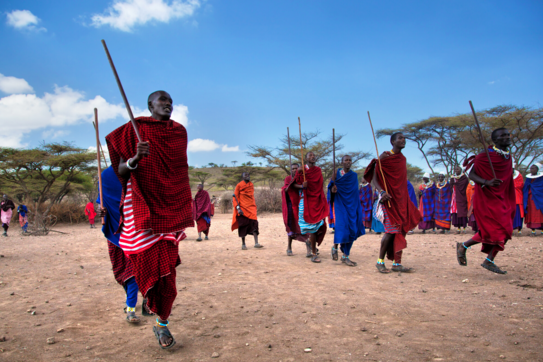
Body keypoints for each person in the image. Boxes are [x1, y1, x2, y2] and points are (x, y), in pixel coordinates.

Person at [106, 90, 193, 349]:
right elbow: (120, 169)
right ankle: (147, 298)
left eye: (171, 102)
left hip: (170, 210)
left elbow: (177, 171)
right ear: (150, 106)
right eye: (162, 101)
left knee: (168, 276)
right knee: (145, 265)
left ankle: (161, 323)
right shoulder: (134, 130)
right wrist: (135, 158)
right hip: (143, 210)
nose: (168, 105)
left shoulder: (178, 133)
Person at [456, 128, 516, 274]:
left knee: (506, 230)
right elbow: (472, 175)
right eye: (503, 136)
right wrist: (487, 182)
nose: (507, 137)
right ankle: (486, 258)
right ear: (495, 140)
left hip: (504, 197)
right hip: (488, 198)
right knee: (493, 230)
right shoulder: (484, 156)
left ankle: (468, 249)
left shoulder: (508, 157)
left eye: (508, 135)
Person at [97, 166, 152, 323]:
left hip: (136, 231)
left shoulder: (138, 171)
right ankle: (139, 300)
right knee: (124, 272)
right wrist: (100, 211)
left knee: (134, 273)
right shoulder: (106, 176)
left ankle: (131, 309)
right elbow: (101, 202)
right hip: (115, 232)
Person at [364, 132, 421, 273]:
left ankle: (397, 263)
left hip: (401, 201)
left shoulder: (402, 159)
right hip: (388, 201)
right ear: (392, 141)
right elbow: (375, 178)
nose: (403, 140)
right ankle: (380, 261)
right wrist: (381, 192)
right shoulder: (384, 157)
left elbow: (400, 182)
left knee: (401, 231)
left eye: (404, 138)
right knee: (390, 231)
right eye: (400, 138)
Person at [328, 155, 365, 266]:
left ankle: (345, 255)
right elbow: (330, 187)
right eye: (346, 160)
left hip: (352, 206)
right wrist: (332, 190)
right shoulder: (336, 174)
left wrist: (357, 207)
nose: (348, 162)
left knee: (352, 229)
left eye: (350, 160)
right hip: (340, 204)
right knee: (342, 227)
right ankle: (336, 247)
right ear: (342, 162)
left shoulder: (353, 176)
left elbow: (354, 191)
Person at [293, 151, 329, 263]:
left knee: (317, 227)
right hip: (306, 200)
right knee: (312, 228)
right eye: (310, 156)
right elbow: (293, 184)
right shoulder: (301, 170)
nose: (313, 157)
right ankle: (314, 254)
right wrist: (301, 186)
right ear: (306, 159)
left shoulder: (318, 170)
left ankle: (310, 243)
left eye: (314, 155)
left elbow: (320, 186)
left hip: (316, 201)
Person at [281, 163, 309, 256]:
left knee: (304, 226)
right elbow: (284, 190)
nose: (294, 170)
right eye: (292, 169)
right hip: (290, 205)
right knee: (291, 226)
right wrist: (290, 186)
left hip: (301, 205)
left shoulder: (302, 178)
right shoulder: (288, 179)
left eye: (296, 169)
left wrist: (303, 185)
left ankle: (309, 248)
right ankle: (289, 247)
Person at [232, 172, 263, 250]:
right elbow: (235, 197)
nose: (247, 176)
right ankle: (243, 244)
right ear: (242, 177)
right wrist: (238, 208)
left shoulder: (251, 185)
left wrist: (254, 206)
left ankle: (256, 243)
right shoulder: (239, 185)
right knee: (243, 226)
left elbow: (251, 196)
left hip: (251, 207)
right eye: (245, 175)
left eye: (248, 175)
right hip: (242, 208)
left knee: (255, 224)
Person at [523, 163, 543, 236]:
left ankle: (542, 230)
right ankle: (533, 230)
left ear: (537, 169)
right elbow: (525, 188)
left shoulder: (541, 178)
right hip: (530, 199)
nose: (531, 169)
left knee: (540, 213)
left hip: (540, 199)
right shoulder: (528, 178)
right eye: (531, 168)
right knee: (531, 213)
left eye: (533, 168)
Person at [450, 165, 469, 234]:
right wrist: (453, 182)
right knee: (456, 213)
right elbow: (450, 185)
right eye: (455, 169)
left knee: (462, 212)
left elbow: (464, 186)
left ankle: (464, 228)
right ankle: (458, 228)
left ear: (461, 170)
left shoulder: (464, 178)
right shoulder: (453, 178)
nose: (456, 170)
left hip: (462, 197)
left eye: (458, 169)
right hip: (455, 197)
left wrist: (456, 183)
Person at [513, 168, 524, 235]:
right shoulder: (505, 176)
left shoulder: (519, 176)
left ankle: (519, 230)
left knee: (518, 215)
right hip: (508, 199)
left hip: (518, 197)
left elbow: (520, 185)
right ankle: (511, 229)